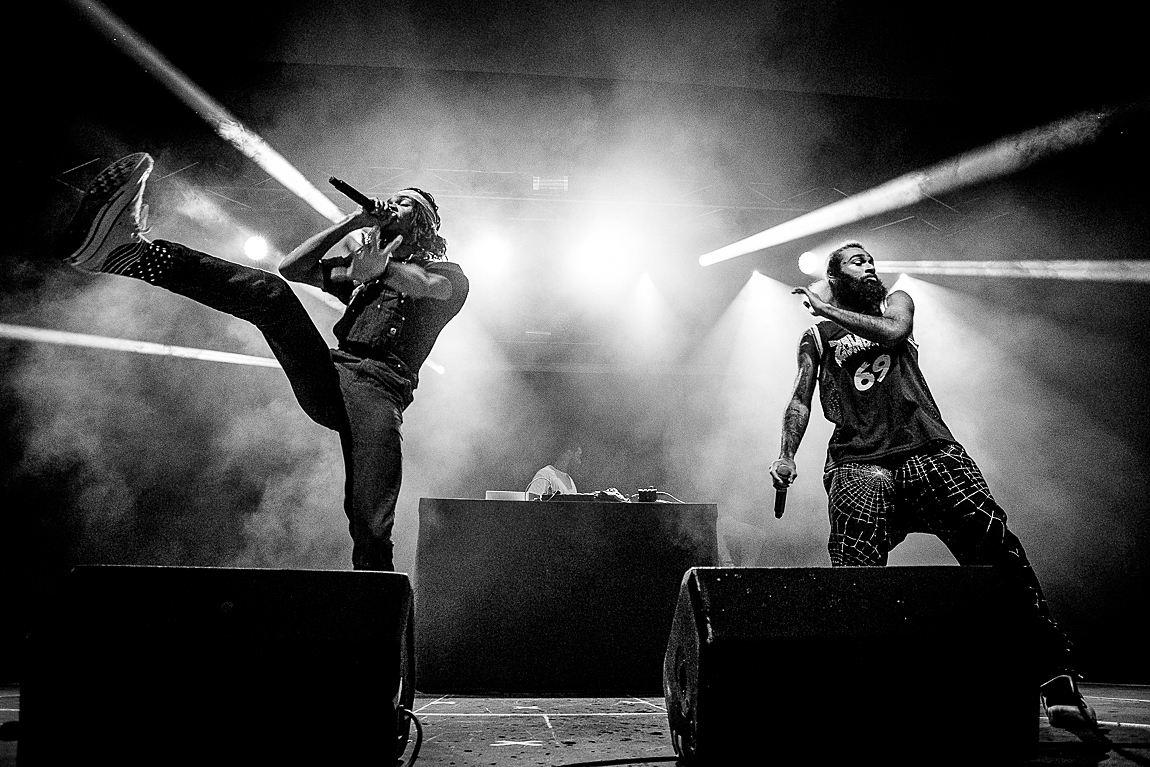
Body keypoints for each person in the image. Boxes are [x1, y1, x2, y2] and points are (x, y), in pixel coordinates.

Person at [57, 153, 469, 571]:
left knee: (371, 520)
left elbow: (425, 285)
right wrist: (352, 223)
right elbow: (293, 268)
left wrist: (380, 269)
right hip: (332, 373)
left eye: (404, 203)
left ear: (425, 223)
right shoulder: (364, 271)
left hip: (379, 392)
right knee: (270, 294)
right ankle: (135, 256)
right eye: (391, 199)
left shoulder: (450, 276)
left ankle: (375, 603)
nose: (392, 205)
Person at [769, 241, 1096, 731]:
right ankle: (859, 693)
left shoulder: (896, 303)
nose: (870, 266)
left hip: (928, 451)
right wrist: (786, 453)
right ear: (835, 276)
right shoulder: (816, 336)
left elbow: (896, 333)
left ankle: (1055, 680)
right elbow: (800, 399)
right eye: (857, 262)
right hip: (859, 463)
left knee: (997, 550)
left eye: (871, 260)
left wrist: (828, 308)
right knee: (856, 576)